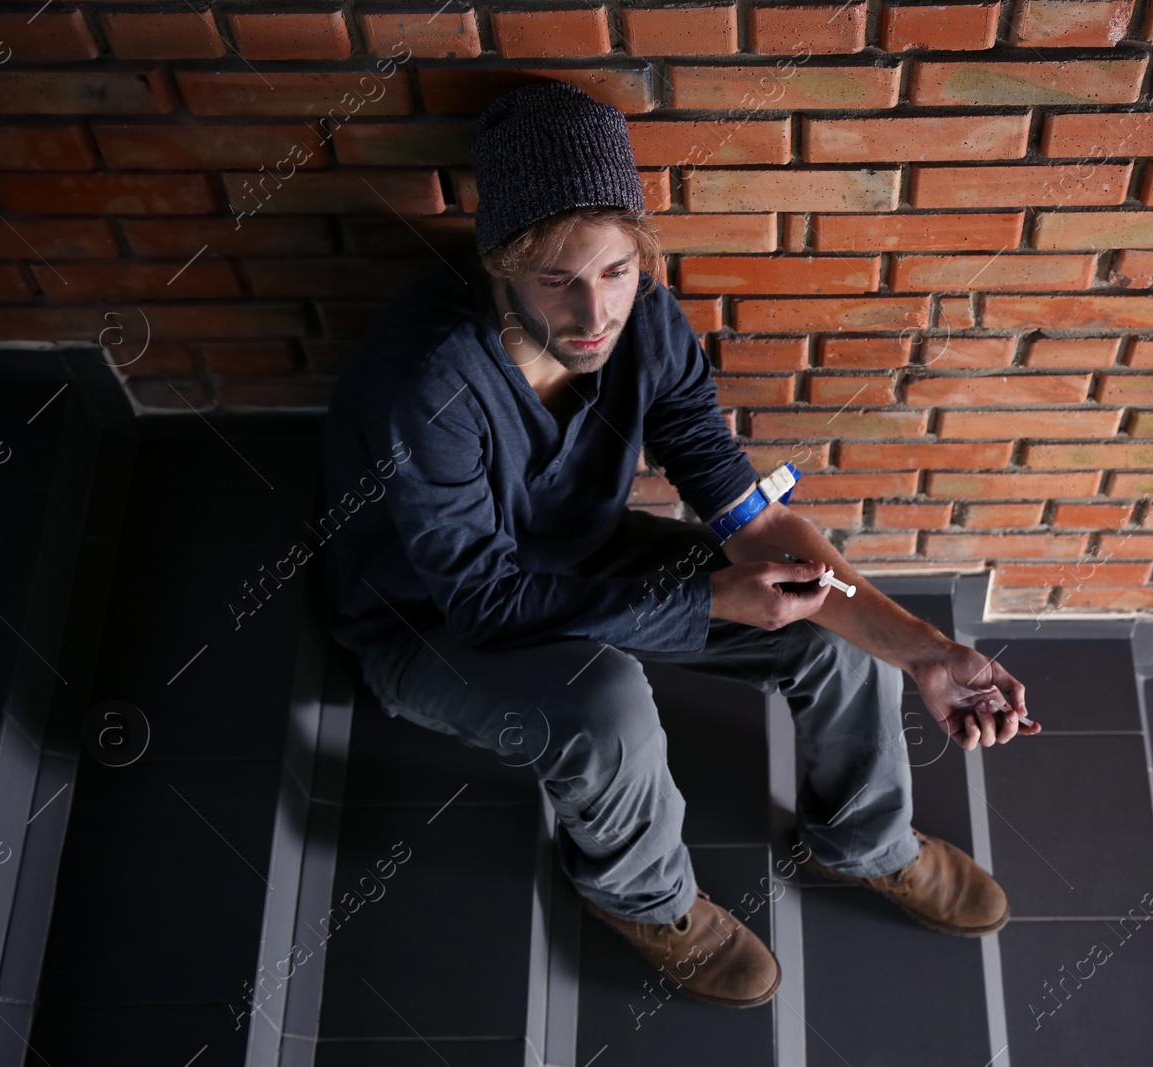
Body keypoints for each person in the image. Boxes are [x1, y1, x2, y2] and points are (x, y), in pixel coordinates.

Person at [320, 79, 1039, 1010]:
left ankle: (865, 839)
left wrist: (929, 654)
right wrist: (705, 599)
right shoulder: (432, 379)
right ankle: (642, 897)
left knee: (824, 613)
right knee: (606, 709)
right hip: (429, 619)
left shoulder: (644, 323)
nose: (593, 314)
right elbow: (482, 601)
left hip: (578, 555)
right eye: (557, 280)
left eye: (615, 272)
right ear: (499, 263)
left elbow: (740, 506)